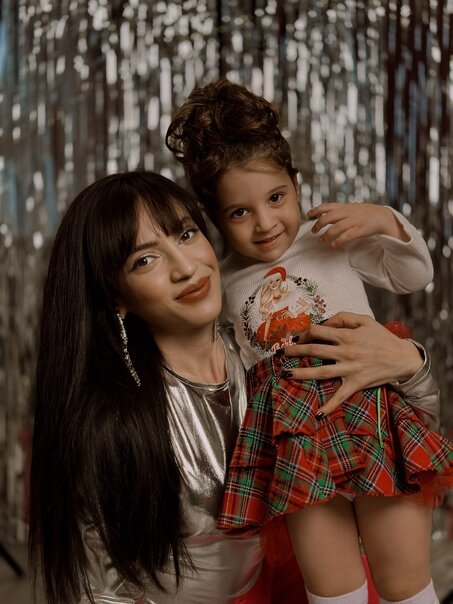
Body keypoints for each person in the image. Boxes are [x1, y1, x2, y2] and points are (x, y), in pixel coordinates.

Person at [28, 171, 440, 604]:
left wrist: (411, 365)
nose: (186, 268)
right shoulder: (109, 419)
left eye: (186, 234)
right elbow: (97, 589)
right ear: (115, 295)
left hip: (310, 583)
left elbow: (404, 443)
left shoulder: (262, 350)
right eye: (145, 260)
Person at [166, 80, 453, 604]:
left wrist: (386, 221)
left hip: (367, 414)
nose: (264, 223)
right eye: (239, 212)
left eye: (276, 198)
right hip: (292, 437)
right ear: (215, 219)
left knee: (404, 584)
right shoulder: (222, 280)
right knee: (333, 589)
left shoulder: (327, 235)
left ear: (296, 185)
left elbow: (414, 276)